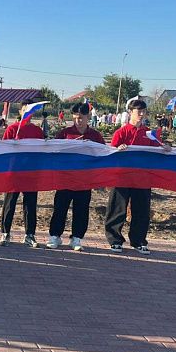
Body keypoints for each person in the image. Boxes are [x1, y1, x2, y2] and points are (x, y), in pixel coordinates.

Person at [104, 99, 170, 254]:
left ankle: (138, 241)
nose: (141, 114)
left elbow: (159, 150)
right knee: (117, 209)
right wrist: (118, 149)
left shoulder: (150, 134)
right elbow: (110, 154)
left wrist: (166, 149)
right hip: (122, 178)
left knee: (141, 211)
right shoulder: (121, 132)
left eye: (143, 111)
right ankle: (115, 240)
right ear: (130, 113)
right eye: (138, 111)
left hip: (142, 179)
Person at [46, 103, 105, 251]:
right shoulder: (65, 134)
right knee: (60, 208)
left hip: (85, 180)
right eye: (76, 118)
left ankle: (77, 237)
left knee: (81, 210)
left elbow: (104, 153)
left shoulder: (95, 136)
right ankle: (55, 235)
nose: (78, 121)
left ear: (88, 117)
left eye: (81, 118)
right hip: (65, 179)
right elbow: (54, 151)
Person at [0, 100, 45, 247]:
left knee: (30, 205)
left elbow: (42, 150)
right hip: (14, 172)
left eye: (30, 110)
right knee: (9, 203)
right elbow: (3, 149)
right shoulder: (12, 129)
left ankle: (29, 234)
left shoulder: (37, 131)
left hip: (31, 173)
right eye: (24, 110)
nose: (27, 113)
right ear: (20, 112)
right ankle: (5, 233)